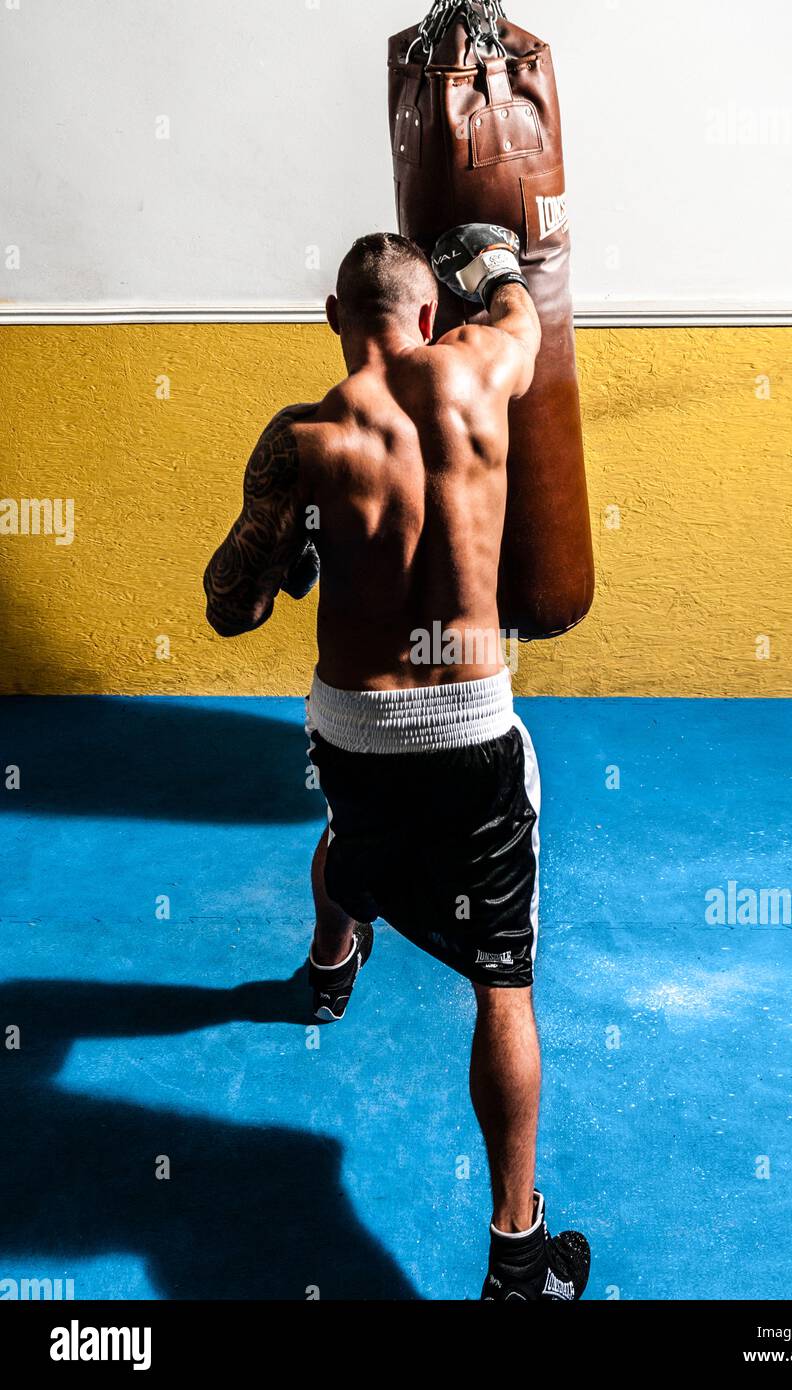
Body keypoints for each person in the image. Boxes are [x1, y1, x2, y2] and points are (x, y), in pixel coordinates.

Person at [204, 226, 590, 1301]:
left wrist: (290, 562)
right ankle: (519, 1254)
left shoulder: (302, 438)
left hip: (356, 732)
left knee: (349, 831)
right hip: (470, 728)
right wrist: (499, 261)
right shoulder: (480, 367)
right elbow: (525, 313)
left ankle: (330, 972)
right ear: (430, 318)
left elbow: (227, 607)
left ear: (334, 318)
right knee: (501, 984)